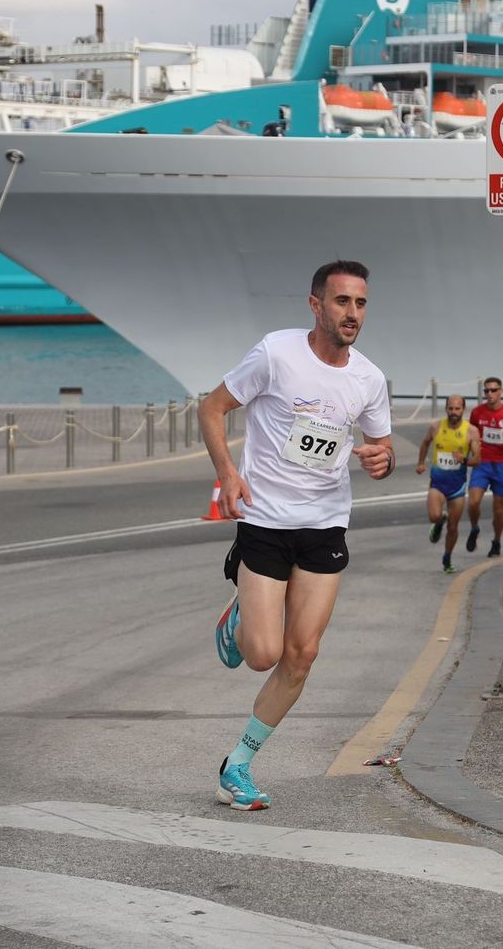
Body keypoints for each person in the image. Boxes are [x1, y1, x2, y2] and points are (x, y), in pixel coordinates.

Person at [197, 260, 394, 811]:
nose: (352, 313)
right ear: (316, 305)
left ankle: (238, 764)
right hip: (265, 518)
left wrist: (382, 460)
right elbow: (212, 408)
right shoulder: (276, 353)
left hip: (325, 523)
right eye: (341, 302)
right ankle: (239, 616)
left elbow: (383, 448)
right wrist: (228, 475)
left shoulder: (369, 379)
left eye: (360, 303)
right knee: (262, 655)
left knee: (302, 655)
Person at [416, 394, 480, 573]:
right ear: (446, 409)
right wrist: (421, 462)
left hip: (457, 486)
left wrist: (464, 460)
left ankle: (447, 557)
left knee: (453, 525)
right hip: (437, 483)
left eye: (457, 408)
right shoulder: (436, 426)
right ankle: (439, 520)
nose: (453, 412)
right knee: (434, 516)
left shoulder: (471, 431)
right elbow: (425, 443)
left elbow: (478, 459)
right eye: (450, 408)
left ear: (463, 410)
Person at [465, 376, 503, 558]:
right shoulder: (477, 413)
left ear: (501, 392)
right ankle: (475, 528)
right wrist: (471, 452)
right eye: (486, 391)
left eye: (493, 390)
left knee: (498, 509)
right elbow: (471, 437)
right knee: (474, 501)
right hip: (482, 463)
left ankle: (497, 541)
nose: (489, 394)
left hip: (502, 464)